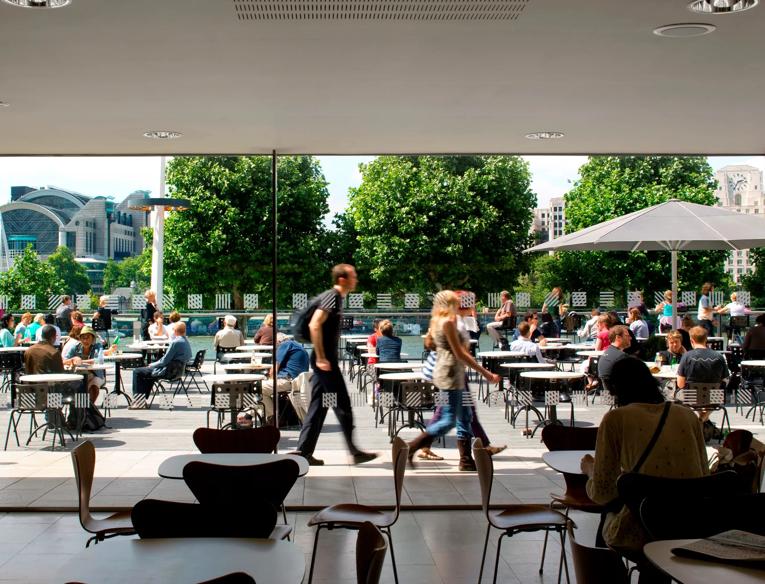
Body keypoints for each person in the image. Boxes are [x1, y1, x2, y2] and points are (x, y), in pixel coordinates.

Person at [581, 357, 707, 584]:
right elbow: (703, 475)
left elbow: (602, 492)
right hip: (691, 523)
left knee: (608, 516)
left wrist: (590, 470)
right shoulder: (687, 415)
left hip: (643, 531)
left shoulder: (616, 419)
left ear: (614, 388)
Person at [293, 264, 377, 466]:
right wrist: (321, 357)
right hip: (325, 360)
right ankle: (354, 451)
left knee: (318, 407)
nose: (356, 279)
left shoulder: (336, 298)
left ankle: (303, 452)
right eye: (353, 276)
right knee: (343, 404)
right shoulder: (332, 296)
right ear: (342, 279)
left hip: (325, 359)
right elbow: (315, 324)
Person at [407, 290, 499, 471]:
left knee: (465, 415)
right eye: (456, 301)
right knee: (449, 420)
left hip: (454, 372)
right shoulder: (448, 323)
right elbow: (460, 354)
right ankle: (412, 447)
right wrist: (485, 373)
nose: (460, 303)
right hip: (450, 374)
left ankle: (466, 461)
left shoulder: (446, 321)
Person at [676, 326, 729, 426]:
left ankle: (699, 421)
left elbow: (680, 384)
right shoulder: (719, 356)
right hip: (714, 399)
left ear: (691, 340)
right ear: (706, 339)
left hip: (690, 398)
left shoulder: (687, 356)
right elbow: (725, 380)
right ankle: (702, 419)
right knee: (715, 396)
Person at [130, 322, 192, 407]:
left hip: (169, 372)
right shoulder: (186, 341)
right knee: (146, 373)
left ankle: (138, 402)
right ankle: (141, 400)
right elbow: (189, 356)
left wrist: (152, 365)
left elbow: (164, 361)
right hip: (178, 372)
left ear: (175, 331)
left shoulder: (175, 342)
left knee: (137, 371)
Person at [261, 332, 309, 422]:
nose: (275, 347)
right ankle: (251, 416)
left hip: (287, 381)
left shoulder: (285, 344)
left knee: (256, 388)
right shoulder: (298, 346)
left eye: (275, 344)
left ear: (278, 341)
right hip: (297, 382)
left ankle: (273, 417)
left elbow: (275, 368)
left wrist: (270, 379)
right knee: (259, 389)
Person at [62, 325, 109, 403]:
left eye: (88, 338)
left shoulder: (97, 346)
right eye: (83, 338)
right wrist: (73, 359)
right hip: (78, 375)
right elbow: (64, 361)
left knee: (94, 385)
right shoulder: (75, 347)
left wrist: (81, 361)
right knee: (75, 386)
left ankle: (89, 409)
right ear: (80, 339)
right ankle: (78, 410)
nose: (85, 340)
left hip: (95, 374)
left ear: (93, 339)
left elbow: (98, 360)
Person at [597, 325, 630, 391]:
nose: (630, 338)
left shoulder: (606, 353)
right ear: (618, 337)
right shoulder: (621, 356)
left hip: (610, 396)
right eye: (627, 336)